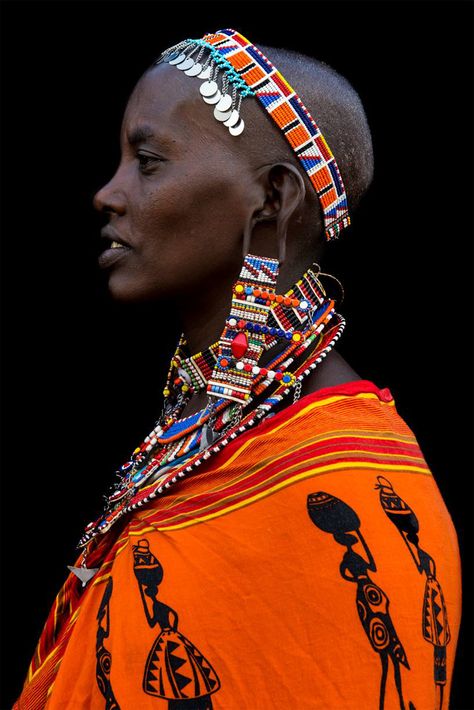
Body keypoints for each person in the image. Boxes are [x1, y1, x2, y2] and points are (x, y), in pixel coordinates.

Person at [15, 29, 461, 709]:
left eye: (149, 160)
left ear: (273, 201)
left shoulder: (351, 488)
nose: (108, 193)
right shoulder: (206, 428)